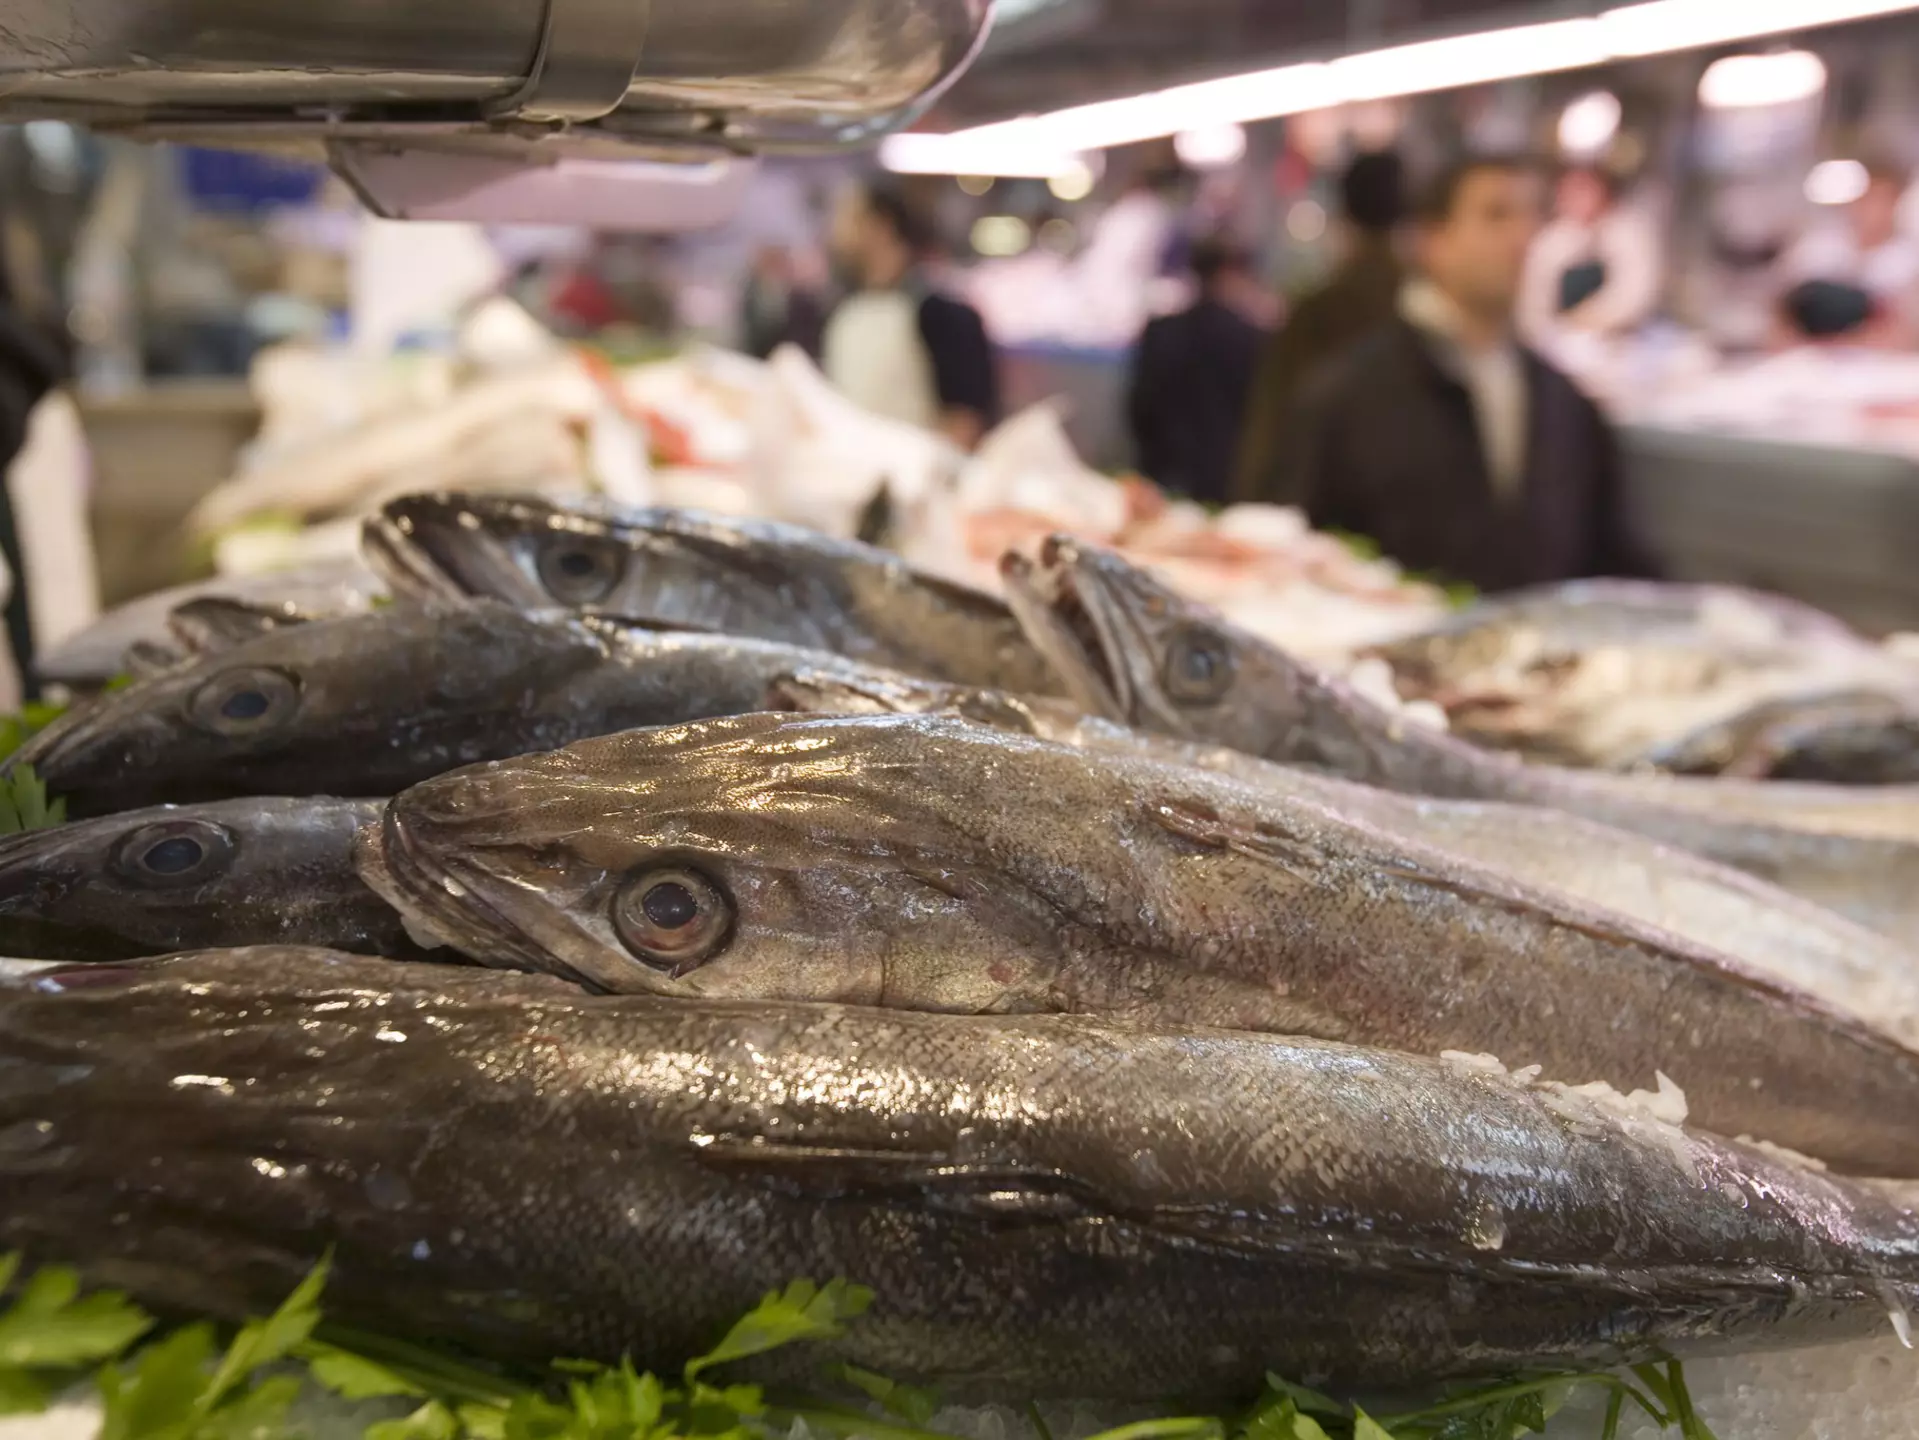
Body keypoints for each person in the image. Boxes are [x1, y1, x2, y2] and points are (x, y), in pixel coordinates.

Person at [1274, 154, 1657, 593]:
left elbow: (1618, 562)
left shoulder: (1566, 403)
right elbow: (1290, 555)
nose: (1522, 236)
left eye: (1533, 215)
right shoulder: (1346, 397)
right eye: (1496, 215)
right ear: (1432, 240)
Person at [1234, 150, 1406, 506]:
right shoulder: (1421, 316)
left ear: (1343, 218)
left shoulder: (1317, 315)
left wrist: (1253, 509)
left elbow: (1271, 428)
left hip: (1318, 522)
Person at [822, 182, 998, 451]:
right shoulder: (845, 312)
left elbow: (965, 422)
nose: (837, 232)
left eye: (849, 219)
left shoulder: (943, 314)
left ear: (880, 225)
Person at [1126, 237, 1267, 506]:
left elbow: (1139, 408)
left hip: (1160, 476)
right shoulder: (1252, 339)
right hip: (1225, 482)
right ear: (1231, 272)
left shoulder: (1161, 331)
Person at [1518, 164, 1662, 344]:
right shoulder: (1549, 242)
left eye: (1585, 189)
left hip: (1625, 340)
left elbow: (1636, 292)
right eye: (1570, 190)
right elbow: (1533, 305)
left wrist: (1590, 318)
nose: (1578, 197)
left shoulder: (1629, 231)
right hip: (1561, 341)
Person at [1780, 159, 1919, 345]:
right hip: (1810, 358)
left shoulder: (1908, 260)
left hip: (1881, 362)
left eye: (1880, 199)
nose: (1871, 209)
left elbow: (1906, 333)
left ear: (1895, 203)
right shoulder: (1817, 248)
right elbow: (1782, 313)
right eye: (1865, 199)